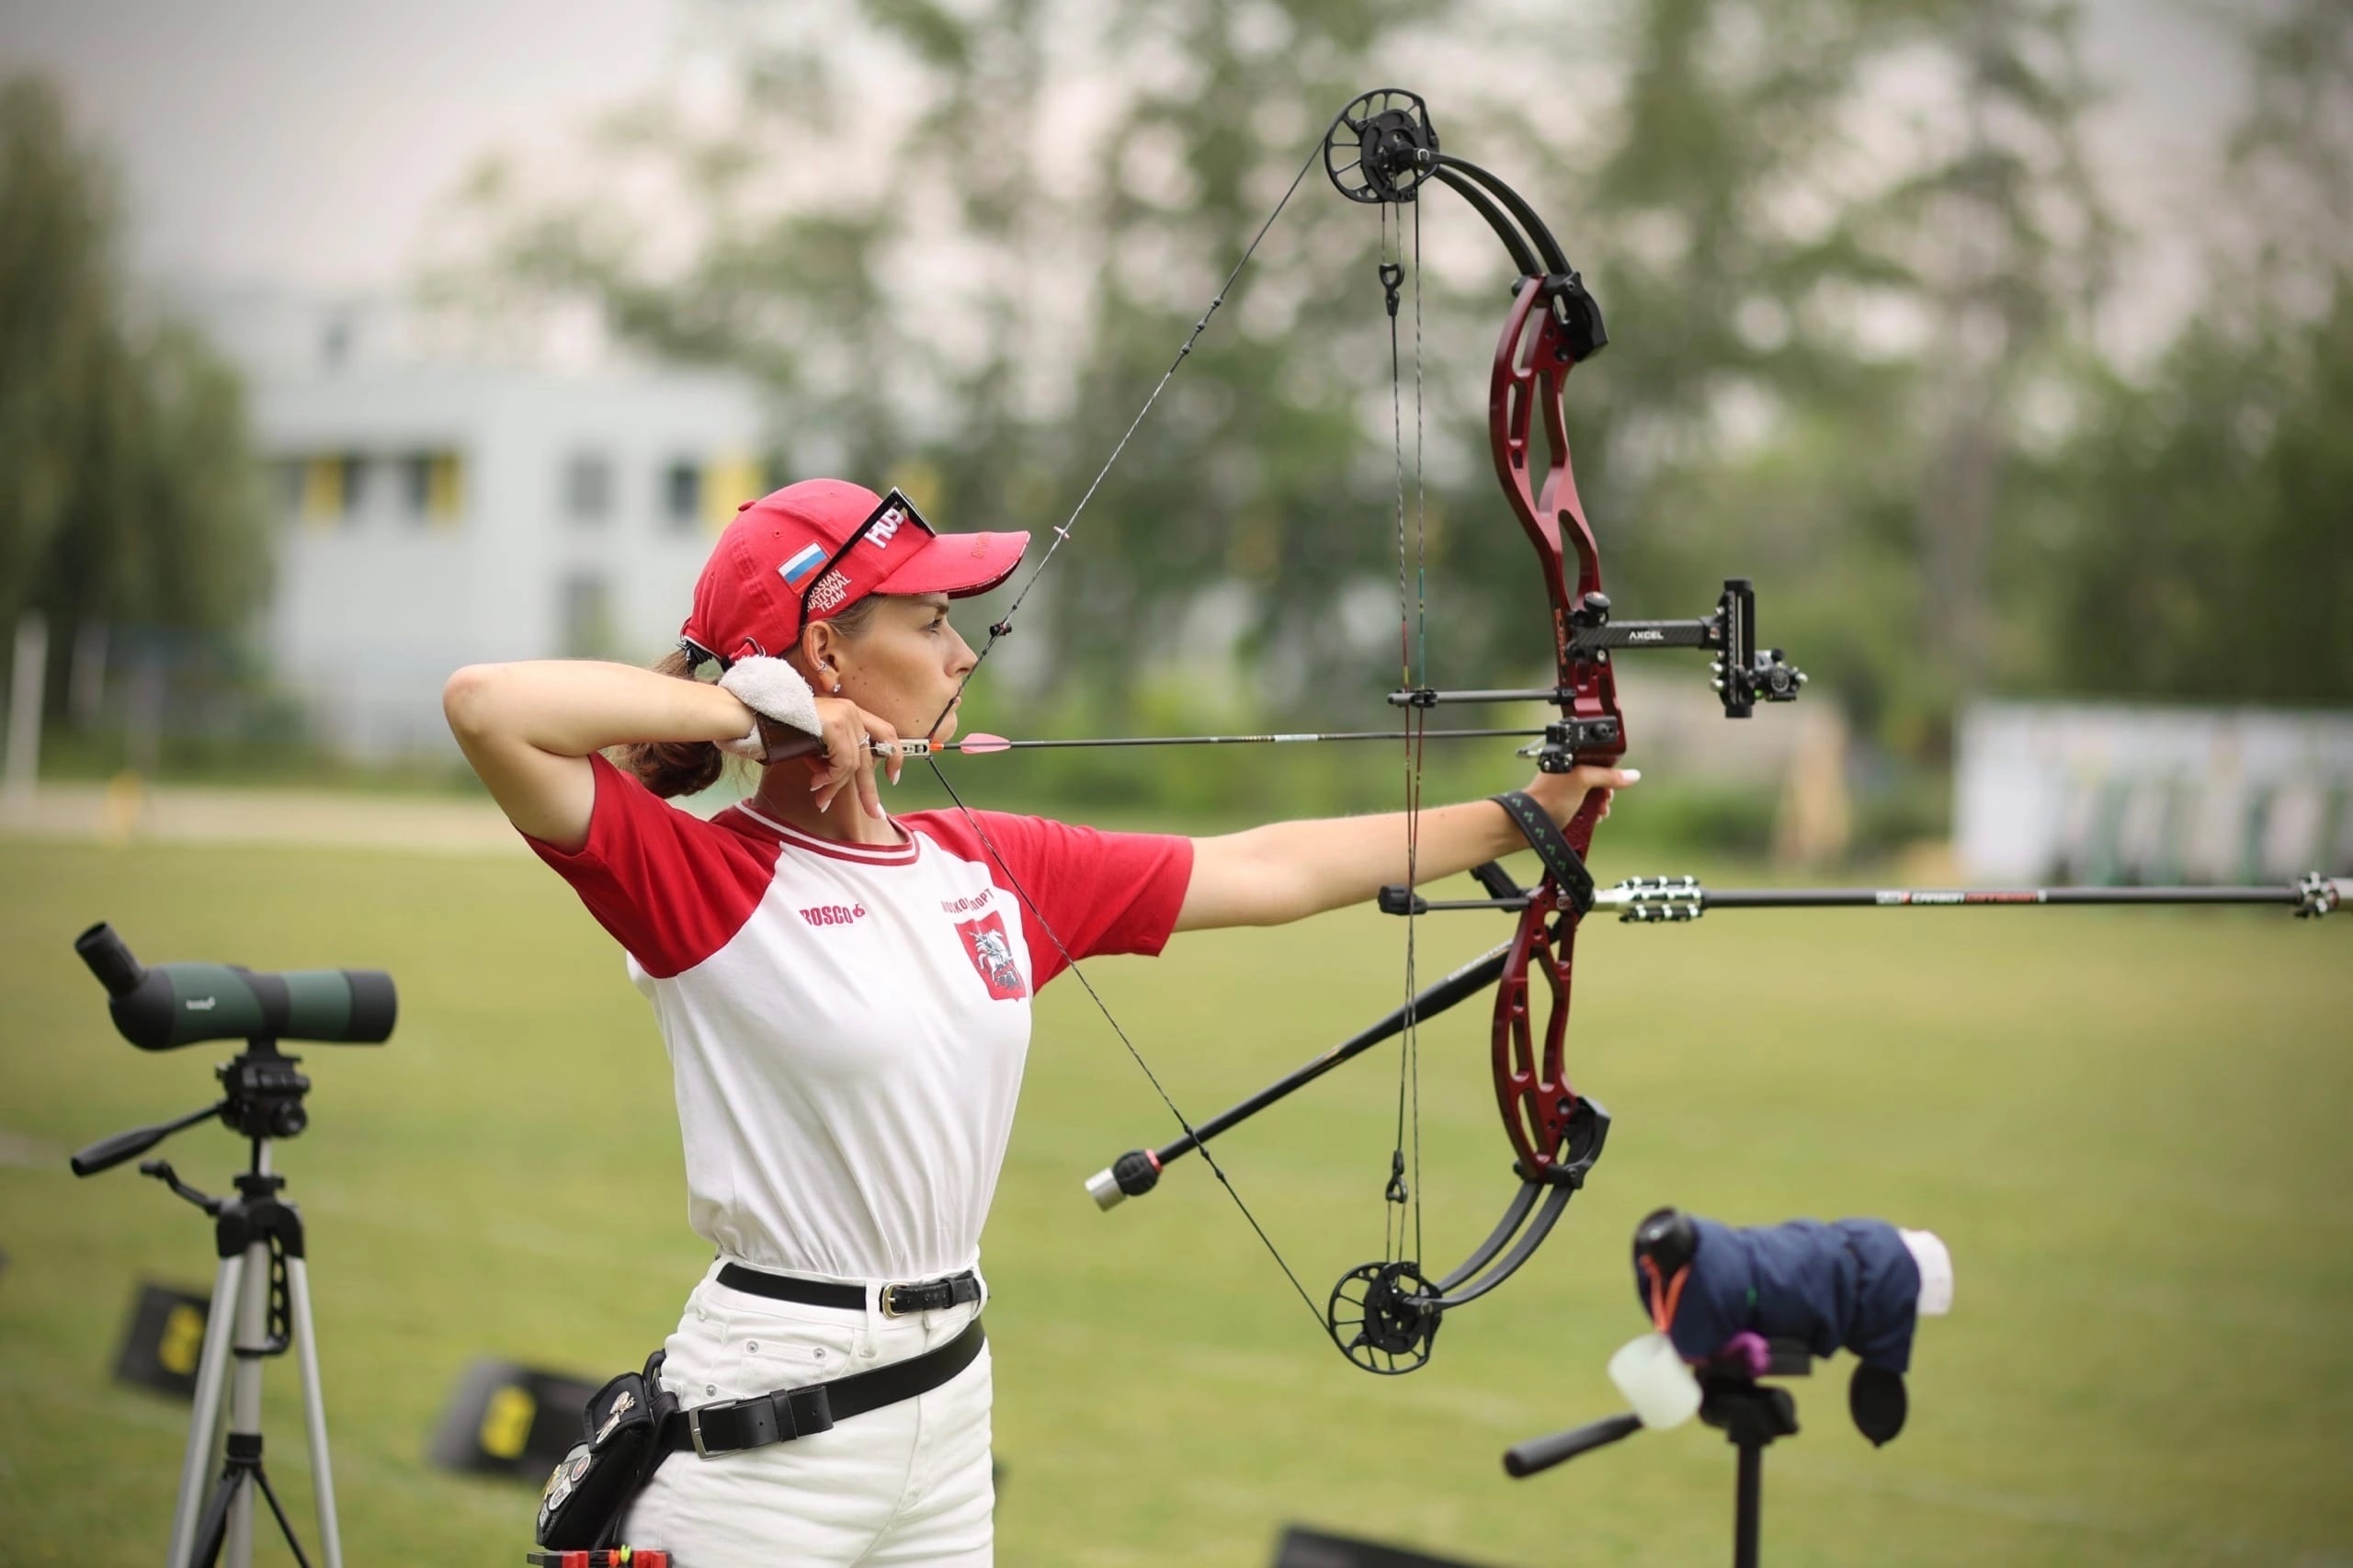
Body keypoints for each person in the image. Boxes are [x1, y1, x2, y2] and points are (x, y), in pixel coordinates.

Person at [442, 477, 1634, 1566]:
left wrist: (1525, 815)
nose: (964, 650)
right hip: (766, 1434)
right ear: (825, 648)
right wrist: (749, 715)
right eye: (927, 622)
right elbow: (491, 705)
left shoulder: (988, 862)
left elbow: (1266, 867)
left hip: (947, 1415)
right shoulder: (699, 878)